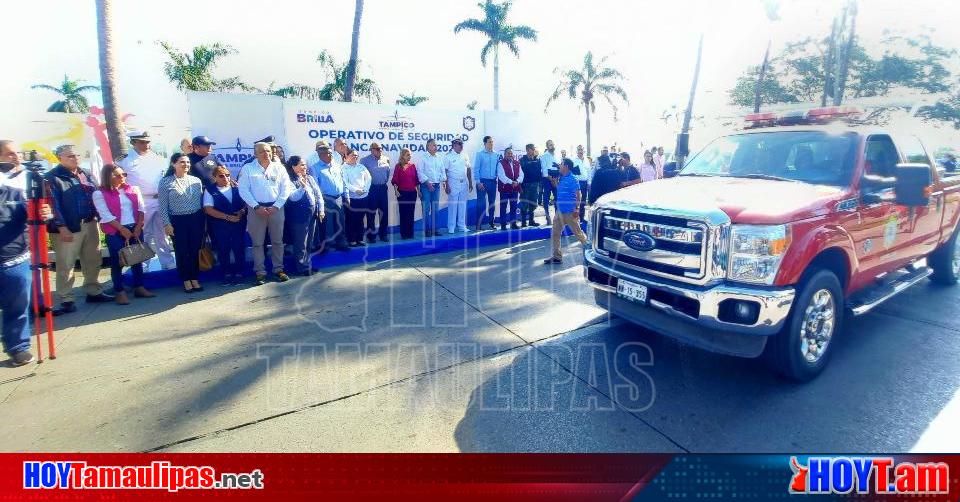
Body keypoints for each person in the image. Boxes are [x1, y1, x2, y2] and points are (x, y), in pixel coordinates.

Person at [0, 141, 52, 366]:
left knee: (17, 305)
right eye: (10, 154)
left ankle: (18, 346)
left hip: (14, 257)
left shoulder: (20, 186)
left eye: (17, 153)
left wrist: (43, 212)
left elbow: (33, 214)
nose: (16, 158)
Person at [45, 145, 112, 314]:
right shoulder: (52, 178)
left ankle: (93, 290)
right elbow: (54, 205)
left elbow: (96, 196)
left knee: (92, 259)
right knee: (66, 264)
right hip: (68, 228)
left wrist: (101, 218)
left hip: (90, 223)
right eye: (70, 156)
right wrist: (62, 227)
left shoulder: (85, 174)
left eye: (76, 155)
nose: (74, 158)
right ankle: (66, 298)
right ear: (59, 158)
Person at [92, 163, 156, 305]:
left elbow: (141, 209)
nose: (122, 178)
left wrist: (139, 226)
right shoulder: (99, 194)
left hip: (135, 228)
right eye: (118, 175)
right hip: (115, 231)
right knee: (117, 261)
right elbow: (105, 215)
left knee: (137, 258)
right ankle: (119, 291)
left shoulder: (133, 189)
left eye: (124, 174)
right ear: (108, 177)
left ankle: (139, 287)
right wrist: (121, 229)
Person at [116, 131, 176, 270]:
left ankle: (167, 261)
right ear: (133, 142)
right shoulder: (124, 160)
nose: (146, 145)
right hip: (140, 201)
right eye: (142, 142)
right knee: (144, 234)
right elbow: (119, 183)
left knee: (162, 233)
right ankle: (143, 263)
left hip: (159, 199)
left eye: (148, 142)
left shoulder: (158, 158)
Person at [239, 142, 293, 285]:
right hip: (256, 209)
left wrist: (277, 205)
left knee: (277, 241)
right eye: (262, 151)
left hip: (276, 209)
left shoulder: (279, 168)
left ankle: (278, 269)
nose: (266, 153)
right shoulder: (248, 168)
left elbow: (286, 188)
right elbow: (243, 190)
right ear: (255, 154)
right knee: (257, 243)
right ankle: (260, 272)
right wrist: (256, 206)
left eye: (268, 151)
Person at [159, 153, 206, 292]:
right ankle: (186, 279)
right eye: (182, 162)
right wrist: (167, 224)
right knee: (181, 251)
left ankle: (195, 278)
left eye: (188, 162)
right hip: (178, 221)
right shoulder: (165, 182)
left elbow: (202, 201)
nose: (186, 165)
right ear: (174, 164)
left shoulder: (196, 180)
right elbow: (162, 206)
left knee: (194, 250)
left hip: (196, 219)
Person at [203, 165, 247, 285]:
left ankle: (239, 273)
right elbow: (208, 209)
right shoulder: (210, 190)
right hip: (220, 225)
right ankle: (226, 274)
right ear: (214, 177)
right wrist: (227, 217)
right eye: (221, 176)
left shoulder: (237, 186)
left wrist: (242, 211)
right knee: (223, 249)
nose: (225, 178)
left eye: (227, 175)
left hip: (238, 224)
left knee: (238, 249)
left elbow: (246, 202)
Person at [283, 156, 325, 276]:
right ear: (293, 166)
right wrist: (302, 186)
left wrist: (321, 209)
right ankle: (301, 267)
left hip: (312, 215)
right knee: (301, 243)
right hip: (298, 216)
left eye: (305, 164)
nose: (304, 167)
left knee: (309, 242)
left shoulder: (310, 178)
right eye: (301, 165)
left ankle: (307, 265)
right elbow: (293, 197)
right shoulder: (289, 180)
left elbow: (318, 194)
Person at [544, 158, 589, 265]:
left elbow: (579, 195)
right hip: (559, 212)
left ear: (566, 166)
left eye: (562, 164)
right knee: (555, 234)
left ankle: (591, 253)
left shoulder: (573, 179)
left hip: (570, 213)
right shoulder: (561, 178)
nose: (559, 165)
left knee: (579, 234)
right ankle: (557, 257)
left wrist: (577, 208)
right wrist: (554, 183)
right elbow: (559, 190)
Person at [311, 141, 350, 252]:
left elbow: (343, 182)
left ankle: (341, 243)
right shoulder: (315, 168)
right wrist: (319, 202)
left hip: (338, 198)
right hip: (325, 198)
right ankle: (326, 245)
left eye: (331, 153)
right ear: (321, 155)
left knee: (340, 221)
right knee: (326, 224)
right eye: (328, 153)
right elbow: (315, 187)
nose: (331, 155)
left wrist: (346, 195)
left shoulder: (337, 166)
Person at [361, 142, 391, 243]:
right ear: (372, 150)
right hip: (371, 189)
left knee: (384, 213)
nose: (380, 150)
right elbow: (362, 177)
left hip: (382, 188)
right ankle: (371, 236)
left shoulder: (386, 159)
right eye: (378, 149)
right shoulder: (364, 160)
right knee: (371, 213)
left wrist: (382, 182)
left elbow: (387, 174)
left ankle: (383, 235)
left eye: (381, 148)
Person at [342, 149, 372, 247]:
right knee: (352, 219)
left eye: (356, 155)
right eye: (352, 155)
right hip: (351, 198)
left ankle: (360, 239)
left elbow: (369, 178)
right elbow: (345, 182)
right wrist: (356, 190)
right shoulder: (343, 168)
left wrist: (365, 189)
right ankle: (352, 239)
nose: (355, 157)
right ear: (347, 156)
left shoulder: (361, 167)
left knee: (360, 219)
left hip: (363, 197)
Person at [444, 138, 473, 234]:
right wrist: (446, 185)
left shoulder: (465, 155)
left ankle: (461, 226)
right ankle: (451, 226)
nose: (461, 146)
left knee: (462, 205)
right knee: (453, 205)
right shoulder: (448, 156)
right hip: (453, 182)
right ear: (454, 145)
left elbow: (468, 169)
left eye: (462, 144)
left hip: (464, 182)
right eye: (459, 144)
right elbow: (445, 172)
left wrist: (470, 182)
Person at [419, 139, 447, 237]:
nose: (436, 147)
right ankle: (427, 230)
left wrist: (441, 179)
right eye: (434, 145)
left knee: (435, 208)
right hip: (426, 186)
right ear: (428, 147)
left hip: (436, 186)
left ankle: (436, 230)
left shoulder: (439, 158)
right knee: (426, 209)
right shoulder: (423, 158)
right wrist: (427, 182)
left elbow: (443, 172)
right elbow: (420, 172)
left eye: (436, 145)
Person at [473, 135, 500, 231]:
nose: (491, 143)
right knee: (481, 204)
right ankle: (478, 224)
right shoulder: (479, 154)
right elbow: (476, 169)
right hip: (482, 182)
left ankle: (491, 222)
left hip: (493, 182)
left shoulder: (496, 154)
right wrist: (478, 182)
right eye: (489, 142)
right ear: (485, 143)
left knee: (492, 203)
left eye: (492, 142)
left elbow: (498, 169)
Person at [392, 148, 419, 239]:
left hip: (412, 193)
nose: (409, 156)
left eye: (410, 155)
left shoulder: (413, 166)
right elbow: (395, 180)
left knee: (411, 213)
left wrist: (419, 192)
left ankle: (410, 233)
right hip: (402, 193)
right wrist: (396, 190)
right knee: (403, 213)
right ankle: (404, 234)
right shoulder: (398, 166)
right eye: (408, 155)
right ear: (402, 155)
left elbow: (416, 180)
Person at [496, 147, 523, 230]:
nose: (510, 155)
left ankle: (513, 224)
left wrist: (517, 181)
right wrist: (512, 182)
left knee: (514, 207)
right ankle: (503, 224)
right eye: (508, 153)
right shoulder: (501, 163)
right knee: (503, 207)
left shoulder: (517, 163)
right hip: (505, 189)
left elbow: (522, 174)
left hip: (515, 189)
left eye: (511, 153)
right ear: (505, 155)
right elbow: (501, 176)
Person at [518, 144, 541, 227]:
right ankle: (524, 222)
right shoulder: (522, 160)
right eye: (533, 149)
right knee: (524, 204)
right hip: (525, 185)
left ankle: (531, 221)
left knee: (533, 203)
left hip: (535, 185)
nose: (534, 150)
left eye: (534, 149)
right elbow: (525, 168)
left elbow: (539, 171)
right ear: (528, 150)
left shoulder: (537, 159)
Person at [539, 140, 559, 225]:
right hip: (547, 178)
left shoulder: (557, 155)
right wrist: (550, 178)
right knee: (546, 199)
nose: (552, 146)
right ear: (547, 146)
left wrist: (557, 178)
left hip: (556, 177)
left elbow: (558, 167)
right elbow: (544, 169)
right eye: (550, 145)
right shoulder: (544, 156)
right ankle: (548, 218)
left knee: (557, 198)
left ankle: (557, 218)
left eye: (553, 144)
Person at [572, 145, 592, 223]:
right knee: (576, 201)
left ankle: (582, 218)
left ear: (584, 151)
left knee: (583, 201)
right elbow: (572, 173)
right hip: (577, 183)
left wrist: (589, 183)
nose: (580, 151)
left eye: (582, 150)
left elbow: (589, 172)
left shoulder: (587, 160)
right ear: (577, 151)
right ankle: (574, 219)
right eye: (579, 149)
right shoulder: (574, 161)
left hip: (585, 182)